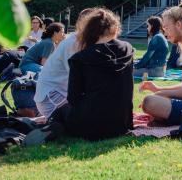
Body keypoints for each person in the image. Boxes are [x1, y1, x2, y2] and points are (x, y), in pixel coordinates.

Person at [48, 8, 135, 140]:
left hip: (90, 126)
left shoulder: (80, 58)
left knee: (60, 112)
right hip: (121, 123)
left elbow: (73, 98)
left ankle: (53, 128)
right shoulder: (128, 49)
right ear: (115, 28)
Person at [34, 8, 95, 119]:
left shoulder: (79, 41)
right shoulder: (74, 43)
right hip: (51, 97)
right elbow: (77, 78)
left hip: (54, 95)